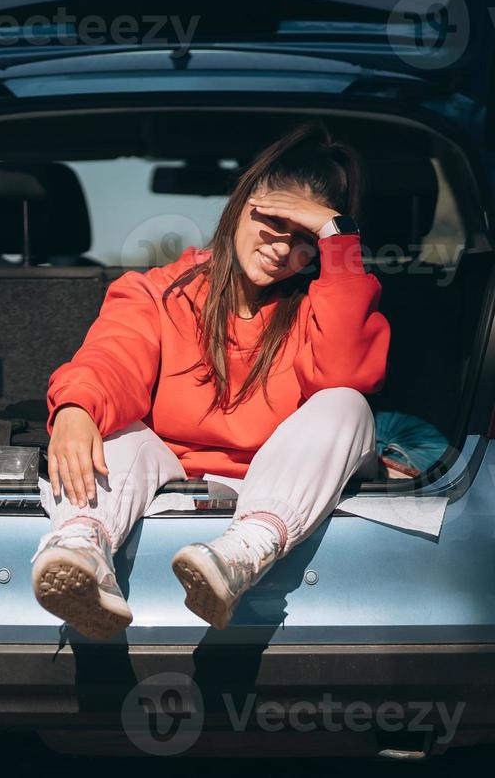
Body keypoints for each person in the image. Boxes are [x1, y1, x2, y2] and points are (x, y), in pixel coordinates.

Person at [32, 122, 390, 638]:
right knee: (111, 427)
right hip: (172, 465)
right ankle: (81, 552)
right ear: (241, 202)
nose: (281, 247)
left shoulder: (325, 304)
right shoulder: (159, 292)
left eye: (305, 237)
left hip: (285, 485)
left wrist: (340, 242)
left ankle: (242, 554)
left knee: (346, 404)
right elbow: (114, 356)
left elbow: (348, 372)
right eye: (272, 220)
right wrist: (75, 408)